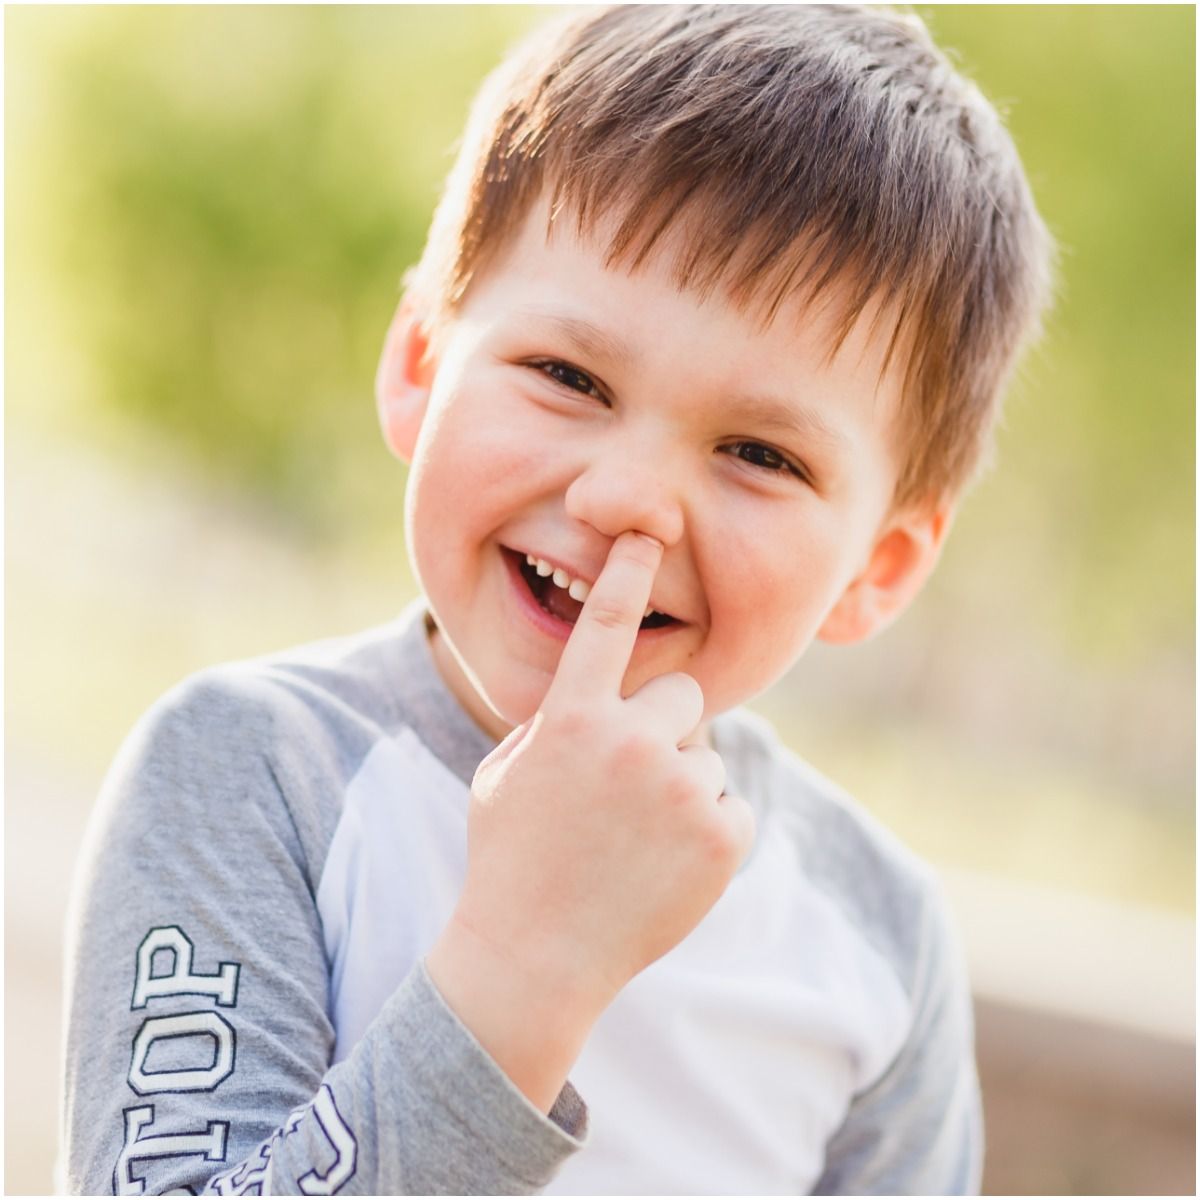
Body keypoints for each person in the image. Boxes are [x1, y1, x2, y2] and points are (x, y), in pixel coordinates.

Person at [60, 4, 1053, 1194]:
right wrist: (525, 964)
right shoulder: (251, 774)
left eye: (762, 455)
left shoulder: (878, 938)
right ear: (421, 364)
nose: (631, 498)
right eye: (567, 376)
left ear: (878, 569)